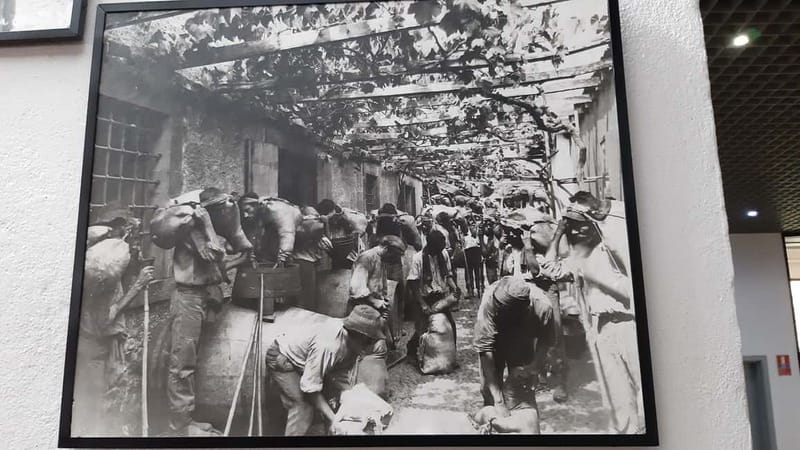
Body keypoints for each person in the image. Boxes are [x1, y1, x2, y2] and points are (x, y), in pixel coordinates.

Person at [151, 187, 251, 436]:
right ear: (211, 212)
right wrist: (206, 224)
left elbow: (218, 264)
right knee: (182, 362)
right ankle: (181, 425)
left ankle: (189, 416)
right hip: (189, 298)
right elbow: (215, 253)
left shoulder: (207, 228)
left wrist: (242, 256)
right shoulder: (194, 228)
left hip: (204, 295)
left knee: (194, 357)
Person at [543, 191, 643, 433]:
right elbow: (549, 268)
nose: (576, 233)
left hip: (629, 325)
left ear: (592, 226)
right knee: (619, 397)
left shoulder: (615, 245)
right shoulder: (581, 258)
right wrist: (558, 233)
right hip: (603, 328)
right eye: (572, 230)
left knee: (646, 391)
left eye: (580, 227)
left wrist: (598, 213)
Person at [74, 204, 154, 436]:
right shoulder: (101, 270)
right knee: (95, 407)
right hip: (96, 348)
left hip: (100, 344)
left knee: (105, 402)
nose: (131, 241)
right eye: (128, 233)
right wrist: (138, 286)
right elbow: (104, 320)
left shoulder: (104, 265)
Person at [265, 305, 384, 436]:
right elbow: (310, 389)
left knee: (334, 400)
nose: (370, 345)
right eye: (368, 341)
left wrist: (351, 395)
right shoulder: (329, 345)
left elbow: (341, 377)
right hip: (284, 358)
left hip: (309, 360)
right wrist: (334, 420)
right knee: (304, 406)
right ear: (357, 335)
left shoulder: (353, 342)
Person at [473, 275, 553, 421]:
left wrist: (534, 367)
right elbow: (485, 350)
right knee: (489, 391)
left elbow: (545, 340)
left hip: (522, 338)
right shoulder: (490, 302)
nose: (497, 309)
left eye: (503, 309)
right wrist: (498, 401)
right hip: (496, 338)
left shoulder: (542, 306)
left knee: (524, 391)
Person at [405, 230, 461, 361]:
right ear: (431, 246)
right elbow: (413, 283)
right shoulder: (418, 258)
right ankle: (412, 351)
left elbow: (447, 275)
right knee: (422, 327)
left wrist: (454, 287)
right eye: (439, 248)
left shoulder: (444, 254)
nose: (441, 250)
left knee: (450, 325)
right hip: (423, 297)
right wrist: (422, 304)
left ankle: (450, 356)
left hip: (440, 297)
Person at [348, 234, 407, 354]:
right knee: (364, 348)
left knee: (381, 345)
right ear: (385, 248)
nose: (393, 261)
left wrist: (383, 300)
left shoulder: (382, 259)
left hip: (376, 306)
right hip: (361, 306)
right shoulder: (366, 258)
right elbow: (356, 288)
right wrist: (374, 301)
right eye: (393, 256)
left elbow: (382, 284)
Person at [469, 366, 540, 434]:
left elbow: (500, 425)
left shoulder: (527, 416)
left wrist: (489, 414)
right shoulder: (531, 412)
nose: (505, 400)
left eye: (507, 397)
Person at [463, 225, 484, 298]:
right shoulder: (465, 235)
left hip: (476, 253)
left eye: (474, 228)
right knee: (468, 274)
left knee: (478, 273)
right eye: (471, 227)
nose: (473, 229)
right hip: (468, 254)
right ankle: (470, 290)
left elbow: (480, 244)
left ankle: (479, 289)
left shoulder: (479, 235)